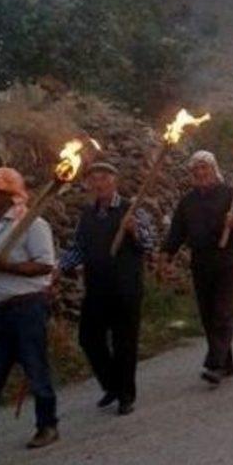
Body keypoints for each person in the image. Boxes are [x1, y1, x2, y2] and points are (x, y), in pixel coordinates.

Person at [60, 160, 155, 415]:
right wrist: (58, 269)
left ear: (115, 181)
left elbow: (148, 244)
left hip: (126, 288)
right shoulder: (88, 214)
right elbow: (78, 248)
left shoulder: (132, 210)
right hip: (97, 287)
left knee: (125, 342)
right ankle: (112, 384)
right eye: (94, 179)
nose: (99, 183)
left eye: (104, 178)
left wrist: (134, 231)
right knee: (88, 338)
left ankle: (125, 395)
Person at [159, 150, 233, 385]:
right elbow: (176, 233)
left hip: (228, 262)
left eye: (205, 168)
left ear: (214, 170)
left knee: (223, 313)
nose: (200, 173)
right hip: (201, 263)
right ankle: (226, 362)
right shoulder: (187, 202)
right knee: (209, 316)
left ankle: (214, 364)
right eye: (196, 169)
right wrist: (165, 256)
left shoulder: (229, 195)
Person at [0, 167, 58, 448]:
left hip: (27, 308)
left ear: (7, 195)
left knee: (34, 367)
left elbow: (45, 265)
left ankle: (47, 425)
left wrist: (7, 266)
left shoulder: (32, 224)